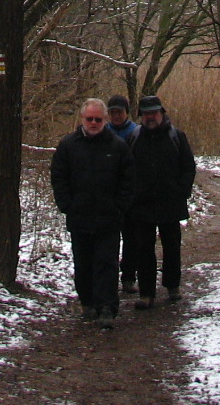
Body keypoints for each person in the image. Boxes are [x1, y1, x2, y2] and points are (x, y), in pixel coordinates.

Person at [51, 97, 134, 328]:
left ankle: (107, 307)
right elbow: (58, 177)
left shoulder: (118, 146)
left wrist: (120, 206)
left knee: (107, 263)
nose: (94, 123)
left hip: (109, 218)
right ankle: (87, 302)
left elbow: (128, 180)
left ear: (105, 119)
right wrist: (67, 205)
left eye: (98, 119)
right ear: (82, 119)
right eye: (90, 119)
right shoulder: (68, 145)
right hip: (80, 216)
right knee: (83, 263)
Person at [126, 95, 195, 310]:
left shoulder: (177, 136)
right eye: (146, 114)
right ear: (141, 116)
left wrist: (182, 191)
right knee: (144, 249)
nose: (150, 117)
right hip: (142, 204)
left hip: (170, 203)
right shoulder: (134, 137)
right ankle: (146, 293)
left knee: (172, 247)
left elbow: (188, 166)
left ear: (162, 113)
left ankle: (173, 286)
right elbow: (125, 168)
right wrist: (130, 195)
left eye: (154, 113)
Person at [105, 95, 141, 294]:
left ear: (126, 112)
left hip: (131, 193)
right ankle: (108, 277)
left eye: (119, 112)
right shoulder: (104, 131)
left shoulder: (136, 132)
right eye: (112, 112)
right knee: (108, 239)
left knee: (131, 238)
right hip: (108, 194)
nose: (116, 116)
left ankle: (128, 276)